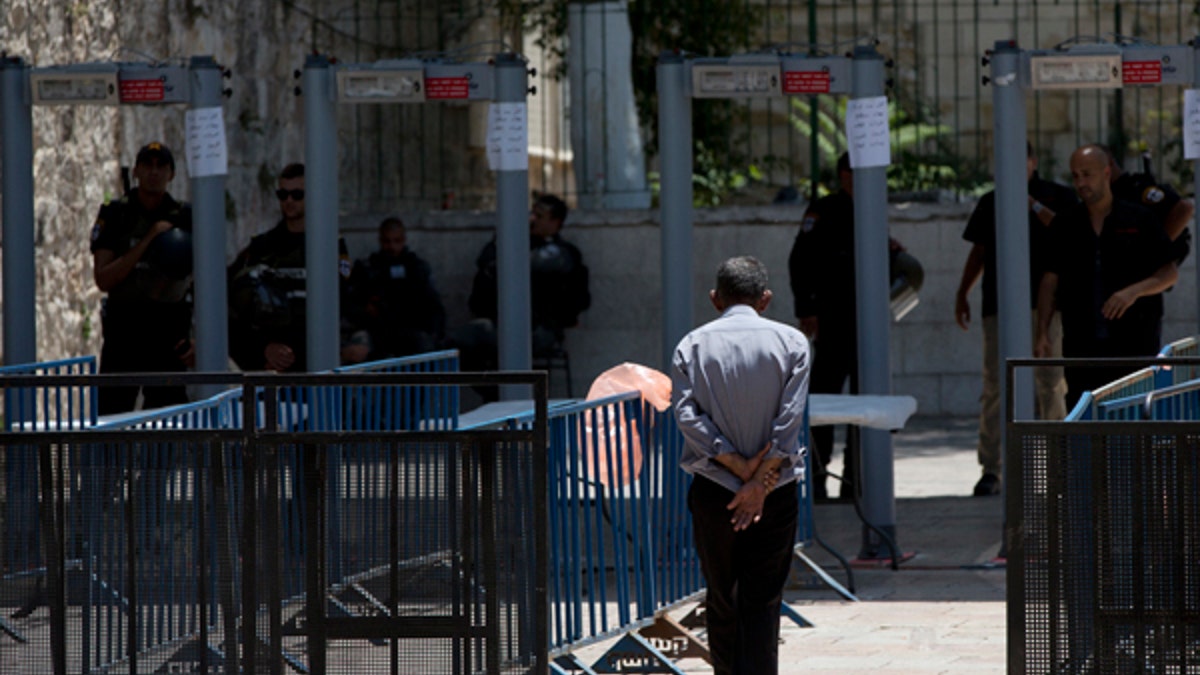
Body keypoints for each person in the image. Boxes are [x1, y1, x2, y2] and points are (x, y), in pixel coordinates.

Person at [671, 255, 808, 675]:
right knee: (763, 598)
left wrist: (733, 464)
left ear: (716, 299)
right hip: (776, 488)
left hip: (715, 489)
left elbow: (686, 415)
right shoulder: (792, 342)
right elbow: (789, 422)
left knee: (722, 595)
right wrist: (759, 481)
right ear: (765, 299)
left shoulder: (690, 345)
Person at [954, 142, 1076, 497]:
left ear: (1032, 162)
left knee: (1051, 382)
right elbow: (978, 250)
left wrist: (1032, 205)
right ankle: (992, 468)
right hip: (999, 305)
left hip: (1047, 305)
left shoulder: (1057, 195)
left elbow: (1067, 232)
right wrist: (962, 292)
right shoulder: (991, 201)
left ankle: (1058, 464)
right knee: (995, 385)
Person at [786, 153, 906, 501]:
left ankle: (854, 482)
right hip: (832, 320)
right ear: (844, 175)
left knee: (864, 404)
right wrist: (806, 309)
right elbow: (800, 262)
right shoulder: (824, 210)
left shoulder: (873, 208)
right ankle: (817, 481)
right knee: (824, 403)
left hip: (866, 323)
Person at [1035, 144, 1179, 406]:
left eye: (1087, 174)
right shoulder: (1065, 224)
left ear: (1106, 172)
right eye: (1075, 175)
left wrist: (1134, 292)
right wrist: (1042, 331)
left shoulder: (1139, 218)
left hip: (1134, 343)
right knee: (1085, 419)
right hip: (1082, 345)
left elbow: (1169, 273)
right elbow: (1049, 280)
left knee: (1132, 423)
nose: (1081, 182)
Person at [90, 141, 194, 414]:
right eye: (147, 165)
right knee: (112, 417)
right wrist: (149, 240)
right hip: (125, 328)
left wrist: (195, 337)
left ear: (172, 174)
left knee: (168, 420)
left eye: (162, 166)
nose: (154, 172)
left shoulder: (184, 216)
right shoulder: (116, 214)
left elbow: (203, 281)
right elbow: (103, 278)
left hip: (168, 330)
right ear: (135, 171)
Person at [453, 193, 590, 397]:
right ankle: (497, 395)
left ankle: (509, 397)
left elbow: (577, 297)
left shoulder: (564, 254)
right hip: (501, 323)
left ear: (555, 222)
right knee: (459, 343)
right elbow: (487, 268)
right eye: (532, 213)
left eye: (539, 215)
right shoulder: (513, 243)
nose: (532, 219)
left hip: (541, 329)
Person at [227, 163, 354, 371]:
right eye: (282, 194)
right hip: (275, 363)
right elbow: (234, 304)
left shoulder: (329, 245)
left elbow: (343, 301)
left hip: (318, 357)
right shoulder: (262, 246)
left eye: (297, 194)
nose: (289, 201)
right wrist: (262, 349)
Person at [346, 217, 445, 359]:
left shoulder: (416, 268)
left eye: (397, 241)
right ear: (380, 241)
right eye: (387, 241)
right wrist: (366, 311)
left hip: (411, 330)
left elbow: (434, 306)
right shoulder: (368, 269)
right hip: (378, 331)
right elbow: (351, 305)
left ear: (404, 240)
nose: (392, 247)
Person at [1103, 145, 1194, 265]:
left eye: (1088, 172)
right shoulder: (1105, 198)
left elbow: (1184, 209)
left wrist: (1153, 254)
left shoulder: (1136, 188)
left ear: (1109, 165)